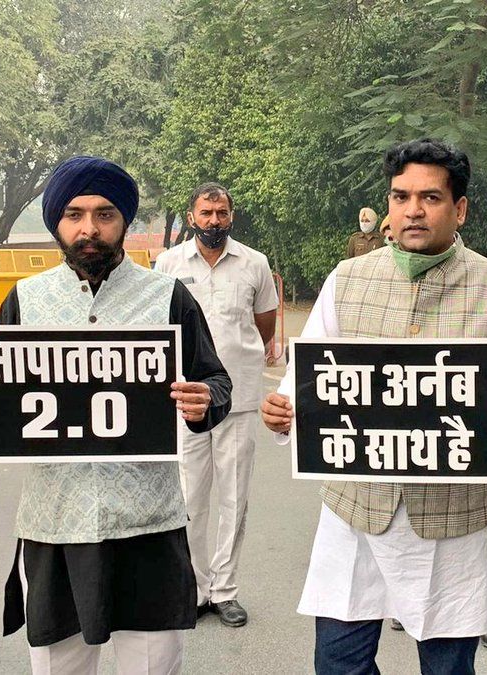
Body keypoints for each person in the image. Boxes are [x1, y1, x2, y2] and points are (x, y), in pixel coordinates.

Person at [262, 138, 487, 674]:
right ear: (389, 205)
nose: (413, 210)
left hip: (453, 516)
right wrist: (283, 408)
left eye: (430, 198)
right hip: (355, 510)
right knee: (339, 664)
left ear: (459, 209)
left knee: (446, 667)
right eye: (401, 197)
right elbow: (307, 376)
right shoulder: (347, 279)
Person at [0, 156, 232, 674]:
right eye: (74, 215)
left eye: (104, 214)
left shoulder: (167, 296)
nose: (89, 229)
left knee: (153, 666)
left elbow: (215, 379)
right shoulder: (25, 300)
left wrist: (204, 399)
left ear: (123, 221)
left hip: (147, 523)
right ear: (57, 222)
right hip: (56, 524)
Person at [155, 182, 278, 627]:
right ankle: (194, 588)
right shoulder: (168, 264)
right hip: (185, 399)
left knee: (234, 497)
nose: (213, 221)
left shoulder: (254, 263)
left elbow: (264, 325)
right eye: (205, 213)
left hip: (239, 398)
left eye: (221, 213)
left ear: (231, 216)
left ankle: (224, 590)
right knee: (189, 499)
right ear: (191, 217)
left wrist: (237, 360)